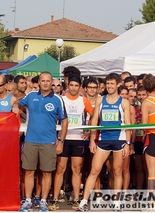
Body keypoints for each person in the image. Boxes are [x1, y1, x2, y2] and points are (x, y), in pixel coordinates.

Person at [76, 73, 131, 211]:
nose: (110, 86)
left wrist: (128, 144)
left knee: (117, 171)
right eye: (108, 84)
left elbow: (128, 125)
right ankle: (83, 202)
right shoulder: (101, 100)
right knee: (94, 170)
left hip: (119, 139)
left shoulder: (124, 102)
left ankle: (117, 204)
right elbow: (94, 120)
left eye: (112, 84)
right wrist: (92, 141)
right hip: (103, 139)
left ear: (118, 84)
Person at [14, 72, 68, 212]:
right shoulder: (31, 95)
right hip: (31, 140)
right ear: (39, 82)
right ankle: (28, 201)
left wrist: (61, 140)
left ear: (51, 83)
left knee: (46, 172)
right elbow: (17, 102)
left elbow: (64, 120)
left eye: (48, 81)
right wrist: (15, 106)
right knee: (29, 171)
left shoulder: (57, 99)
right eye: (42, 81)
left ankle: (43, 201)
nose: (45, 83)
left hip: (49, 141)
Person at [49, 75, 93, 211]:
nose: (73, 88)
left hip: (78, 139)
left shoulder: (83, 100)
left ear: (80, 87)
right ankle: (55, 199)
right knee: (60, 169)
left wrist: (89, 131)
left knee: (76, 169)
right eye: (71, 85)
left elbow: (94, 115)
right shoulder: (60, 99)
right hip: (63, 138)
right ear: (68, 86)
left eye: (76, 85)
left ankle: (76, 199)